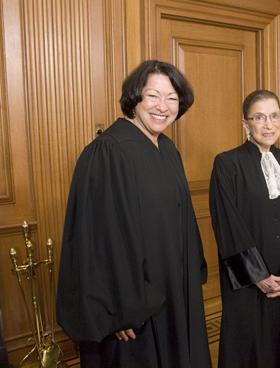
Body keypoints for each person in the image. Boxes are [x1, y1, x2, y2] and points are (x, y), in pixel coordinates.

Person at [56, 60, 211, 368]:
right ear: (134, 97)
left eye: (171, 98)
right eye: (153, 95)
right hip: (134, 309)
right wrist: (118, 309)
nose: (162, 107)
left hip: (172, 291)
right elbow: (98, 241)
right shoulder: (107, 153)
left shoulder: (166, 149)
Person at [209, 89, 280, 368]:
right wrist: (257, 275)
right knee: (248, 345)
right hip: (248, 281)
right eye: (259, 117)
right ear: (245, 123)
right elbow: (228, 224)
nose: (268, 124)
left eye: (274, 116)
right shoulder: (227, 164)